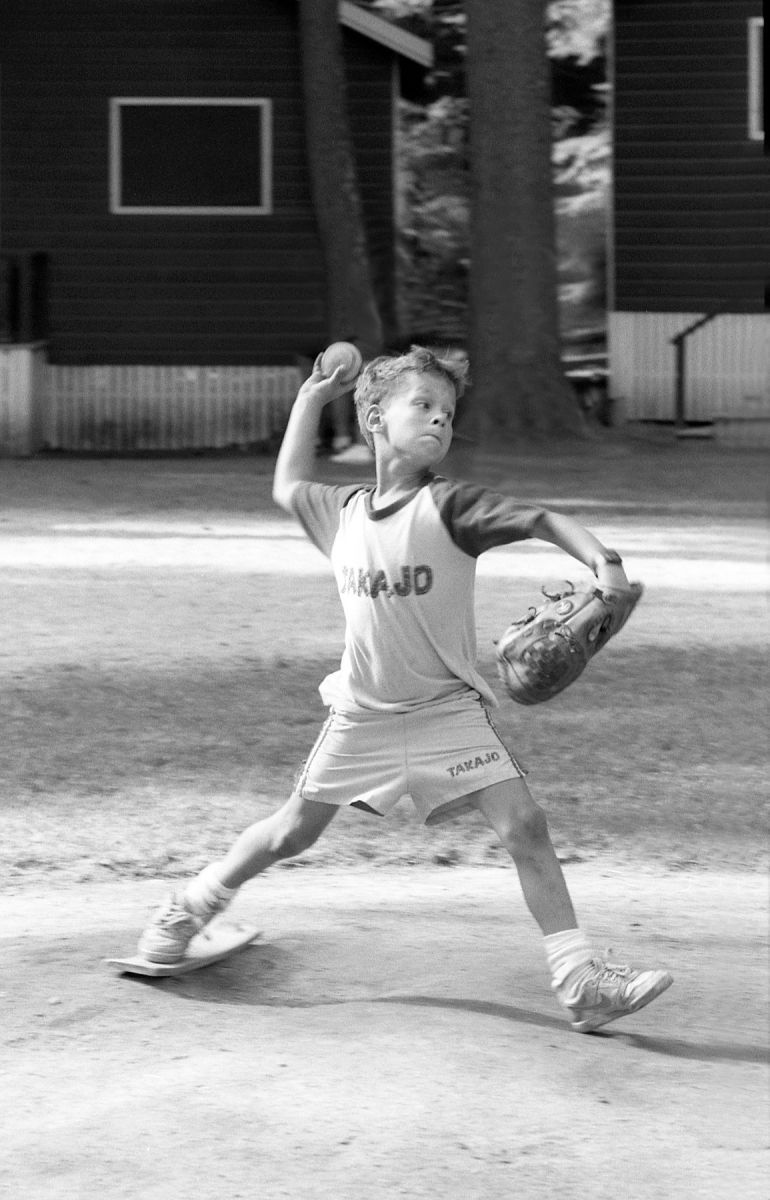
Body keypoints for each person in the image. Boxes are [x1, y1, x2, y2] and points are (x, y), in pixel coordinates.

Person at [137, 346, 673, 1034]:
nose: (438, 421)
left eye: (448, 414)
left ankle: (579, 980)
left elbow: (540, 519)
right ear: (372, 419)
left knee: (525, 827)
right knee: (288, 833)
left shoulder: (452, 506)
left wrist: (606, 562)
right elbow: (289, 484)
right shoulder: (343, 513)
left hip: (446, 709)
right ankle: (183, 914)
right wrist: (310, 397)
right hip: (361, 715)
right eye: (422, 405)